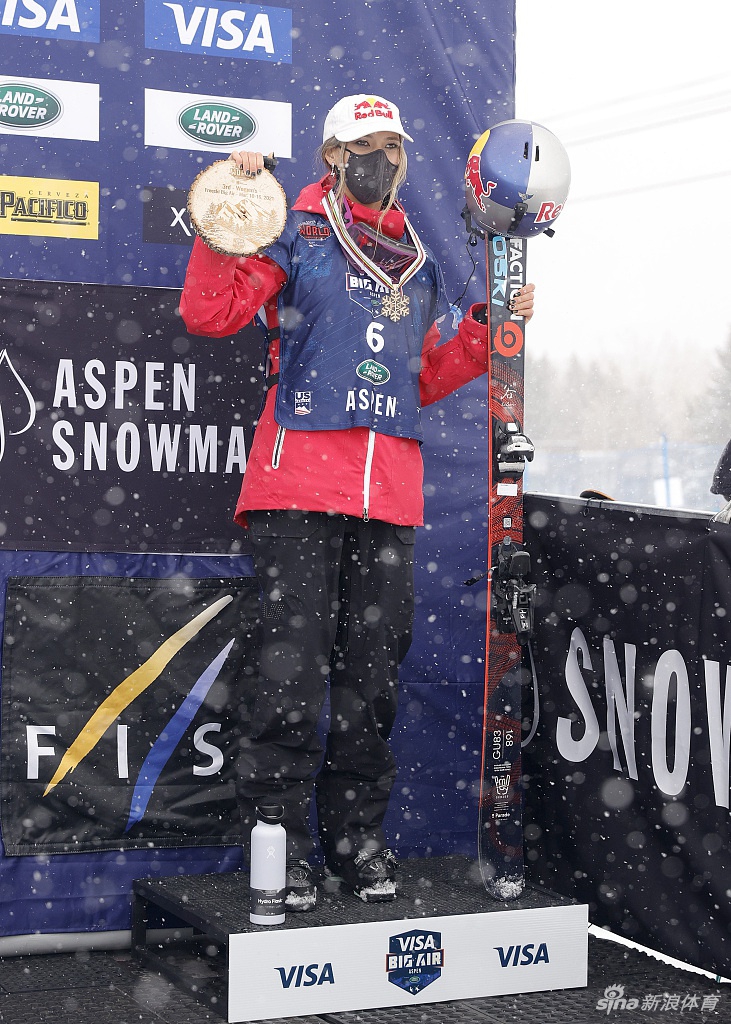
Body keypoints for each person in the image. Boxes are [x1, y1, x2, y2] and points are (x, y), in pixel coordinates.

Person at [180, 94, 535, 910]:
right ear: (331, 156)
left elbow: (422, 378)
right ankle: (281, 852)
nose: (380, 158)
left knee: (370, 685)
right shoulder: (293, 230)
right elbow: (209, 313)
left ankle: (355, 844)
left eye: (391, 146)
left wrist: (485, 331)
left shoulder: (418, 253)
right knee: (288, 677)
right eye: (362, 145)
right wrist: (225, 222)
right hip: (297, 485)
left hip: (389, 498)